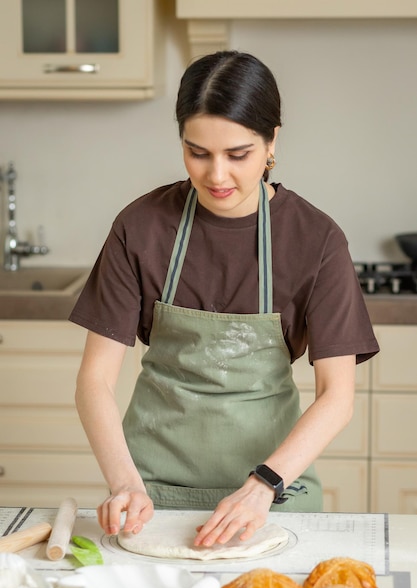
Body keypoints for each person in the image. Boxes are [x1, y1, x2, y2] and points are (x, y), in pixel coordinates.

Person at [70, 50, 379, 548]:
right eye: (198, 152)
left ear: (272, 139)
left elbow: (337, 396)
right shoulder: (141, 227)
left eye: (238, 155)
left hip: (274, 492)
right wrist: (126, 483)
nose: (217, 176)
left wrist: (263, 485)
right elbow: (94, 380)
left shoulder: (316, 240)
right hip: (152, 491)